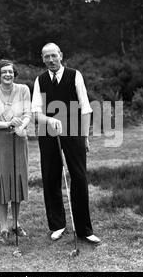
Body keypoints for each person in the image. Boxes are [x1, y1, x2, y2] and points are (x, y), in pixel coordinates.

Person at [31, 43, 101, 245]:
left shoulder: (74, 75)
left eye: (54, 56)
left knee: (79, 176)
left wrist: (85, 136)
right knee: (51, 176)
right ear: (42, 59)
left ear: (61, 55)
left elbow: (86, 108)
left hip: (74, 131)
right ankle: (57, 225)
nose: (51, 60)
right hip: (48, 132)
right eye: (46, 57)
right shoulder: (40, 80)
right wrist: (48, 120)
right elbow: (36, 113)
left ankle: (84, 229)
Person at [0, 59, 31, 243]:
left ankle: (16, 223)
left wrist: (21, 126)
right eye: (4, 72)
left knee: (18, 180)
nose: (7, 75)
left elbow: (27, 114)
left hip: (19, 139)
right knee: (2, 181)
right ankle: (4, 226)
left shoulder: (24, 90)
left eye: (10, 72)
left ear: (14, 73)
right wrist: (8, 124)